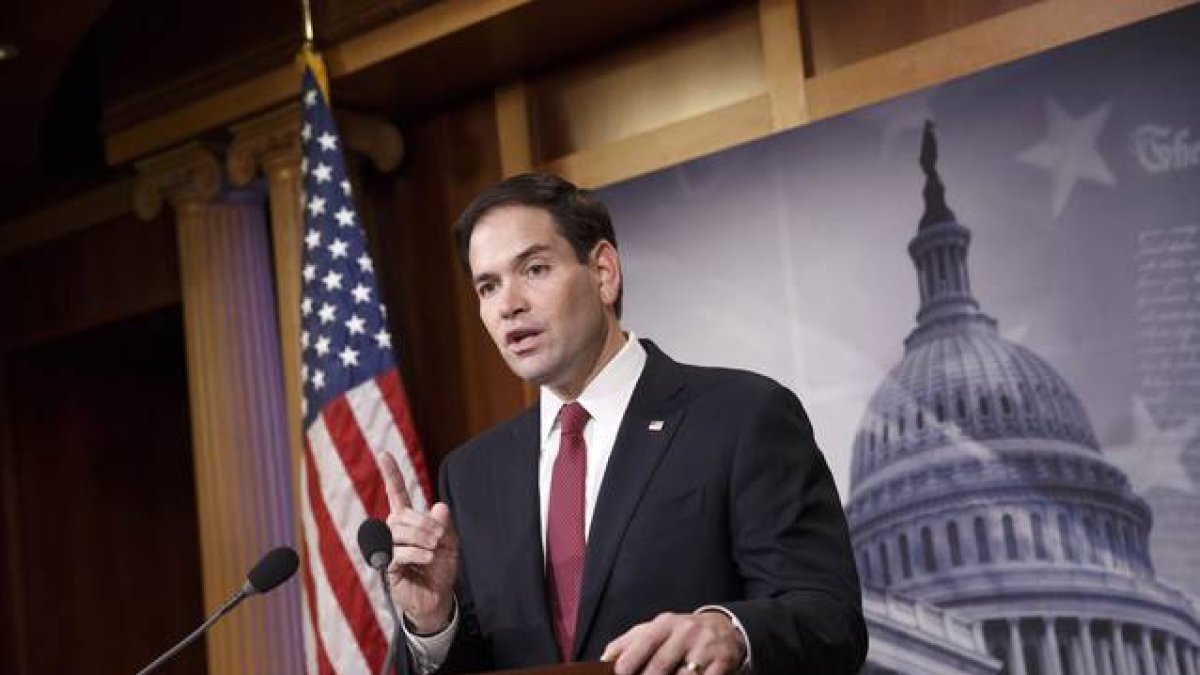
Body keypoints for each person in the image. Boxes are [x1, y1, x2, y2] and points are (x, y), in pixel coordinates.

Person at [379, 172, 867, 675]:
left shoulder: (742, 416)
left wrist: (732, 631)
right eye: (488, 286)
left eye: (535, 269)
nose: (508, 304)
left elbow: (831, 622)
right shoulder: (472, 475)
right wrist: (434, 623)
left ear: (604, 272)